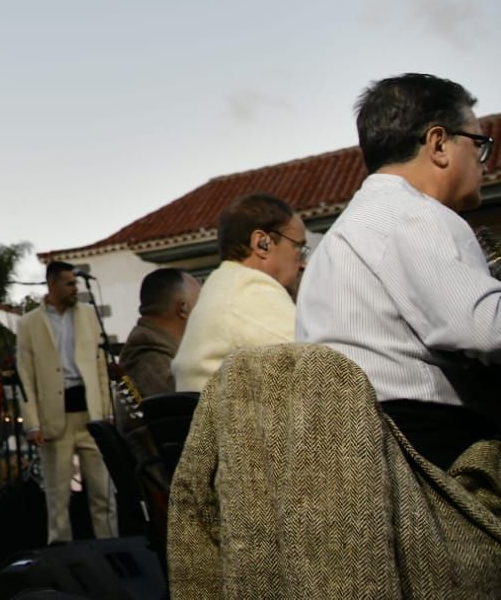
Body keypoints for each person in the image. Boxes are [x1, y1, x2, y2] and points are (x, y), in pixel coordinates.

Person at [296, 74, 501, 470]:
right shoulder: (418, 213)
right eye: (478, 144)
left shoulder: (338, 237)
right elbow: (485, 329)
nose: (483, 162)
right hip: (430, 451)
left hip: (351, 455)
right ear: (439, 144)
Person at [15, 261, 115, 544]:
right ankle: (61, 553)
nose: (75, 288)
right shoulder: (29, 323)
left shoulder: (88, 315)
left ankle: (110, 550)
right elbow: (25, 375)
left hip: (90, 413)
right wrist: (32, 422)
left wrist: (106, 410)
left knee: (103, 492)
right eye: (69, 283)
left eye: (76, 283)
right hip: (54, 416)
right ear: (52, 284)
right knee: (58, 497)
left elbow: (100, 366)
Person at [171, 193, 304, 394]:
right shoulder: (249, 291)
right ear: (262, 243)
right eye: (298, 248)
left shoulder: (221, 287)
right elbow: (321, 369)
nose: (303, 263)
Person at [119, 269, 200, 402]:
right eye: (200, 301)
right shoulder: (147, 355)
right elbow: (185, 405)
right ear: (183, 308)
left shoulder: (166, 346)